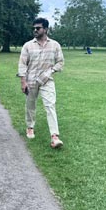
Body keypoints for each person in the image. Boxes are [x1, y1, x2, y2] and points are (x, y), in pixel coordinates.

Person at [18, 17, 64, 149]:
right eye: (34, 28)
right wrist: (23, 81)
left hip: (47, 81)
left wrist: (50, 71)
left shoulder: (55, 45)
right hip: (31, 80)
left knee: (50, 105)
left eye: (38, 28)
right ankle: (30, 127)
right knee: (30, 105)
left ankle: (54, 137)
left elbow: (60, 62)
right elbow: (22, 64)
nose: (35, 30)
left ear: (45, 29)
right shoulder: (28, 45)